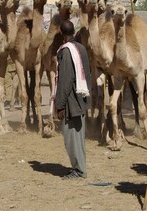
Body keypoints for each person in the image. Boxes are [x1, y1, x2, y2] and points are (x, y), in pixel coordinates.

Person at [52, 20, 91, 179]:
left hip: (72, 103)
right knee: (78, 137)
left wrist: (59, 105)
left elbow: (65, 80)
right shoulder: (80, 48)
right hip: (81, 99)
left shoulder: (66, 52)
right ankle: (79, 167)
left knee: (71, 139)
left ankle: (79, 170)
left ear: (61, 33)